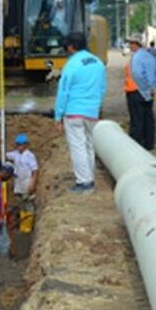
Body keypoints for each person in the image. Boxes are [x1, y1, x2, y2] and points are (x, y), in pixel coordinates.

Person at [54, 32, 107, 192]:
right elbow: (102, 88)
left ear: (71, 46)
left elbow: (63, 91)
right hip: (92, 112)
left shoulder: (71, 65)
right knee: (90, 145)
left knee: (78, 146)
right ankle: (89, 176)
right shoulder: (98, 63)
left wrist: (58, 115)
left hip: (74, 112)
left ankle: (84, 182)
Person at [124, 34, 156, 150]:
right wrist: (152, 89)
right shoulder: (150, 56)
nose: (130, 46)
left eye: (131, 44)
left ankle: (136, 147)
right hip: (148, 93)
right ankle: (149, 144)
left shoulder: (137, 57)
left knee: (137, 121)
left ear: (136, 44)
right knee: (148, 119)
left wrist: (144, 89)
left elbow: (137, 74)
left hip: (136, 91)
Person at [6, 133, 39, 233]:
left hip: (27, 183)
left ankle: (28, 226)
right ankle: (23, 225)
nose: (19, 147)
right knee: (21, 205)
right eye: (18, 145)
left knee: (28, 205)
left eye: (21, 145)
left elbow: (35, 171)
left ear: (25, 145)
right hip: (18, 184)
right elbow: (6, 155)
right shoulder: (15, 154)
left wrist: (33, 184)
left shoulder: (30, 156)